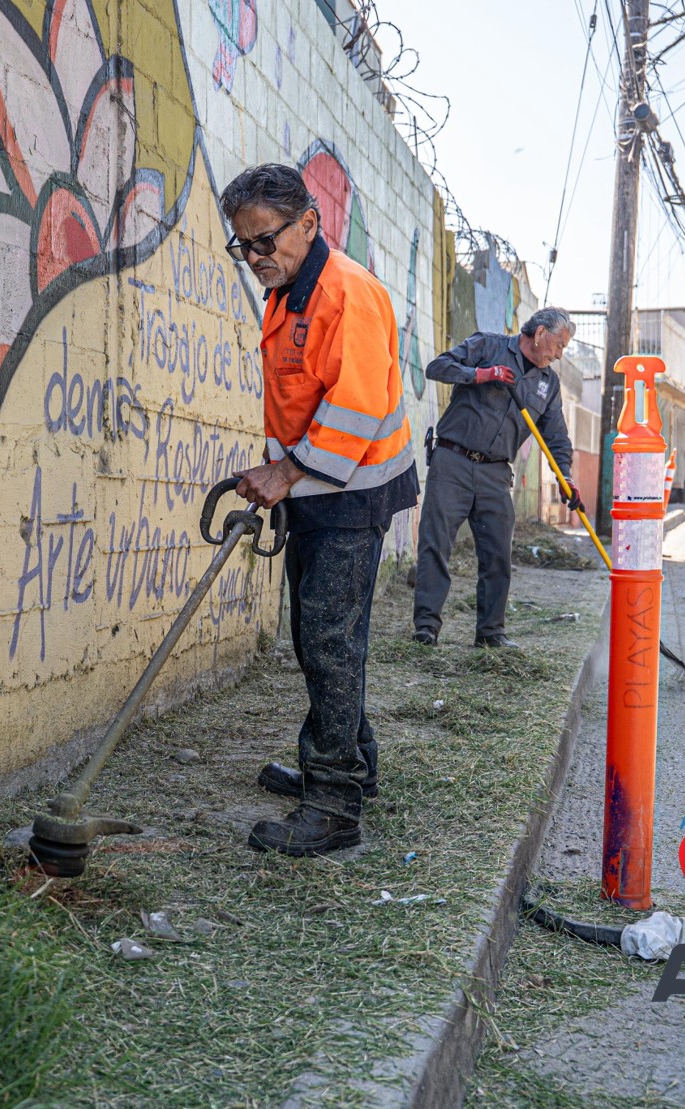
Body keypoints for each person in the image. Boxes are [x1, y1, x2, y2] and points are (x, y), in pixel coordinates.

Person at [222, 164, 418, 858]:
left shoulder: (348, 294)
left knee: (329, 639)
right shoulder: (288, 288)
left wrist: (285, 470)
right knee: (316, 636)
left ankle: (334, 802)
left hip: (353, 487)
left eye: (264, 240)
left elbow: (356, 408)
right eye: (243, 245)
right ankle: (346, 764)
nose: (254, 256)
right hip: (315, 485)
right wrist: (282, 474)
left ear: (309, 222)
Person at [411, 308, 579, 649]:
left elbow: (556, 437)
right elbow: (436, 368)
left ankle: (490, 633)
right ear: (541, 332)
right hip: (452, 460)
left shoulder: (549, 384)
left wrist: (566, 477)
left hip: (496, 472)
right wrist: (481, 374)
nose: (559, 354)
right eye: (559, 345)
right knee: (436, 545)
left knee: (498, 555)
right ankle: (426, 628)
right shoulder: (488, 345)